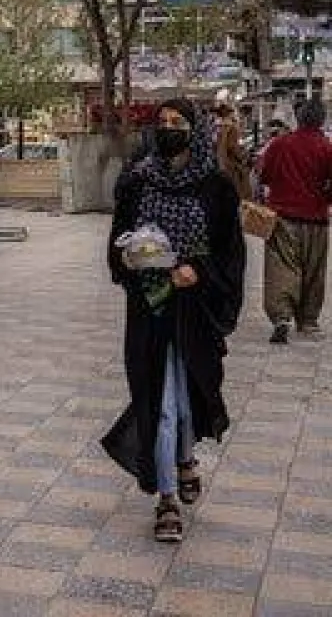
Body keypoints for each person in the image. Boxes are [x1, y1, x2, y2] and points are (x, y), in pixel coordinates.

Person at [102, 100, 244, 544]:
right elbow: (116, 250)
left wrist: (198, 272)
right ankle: (166, 498)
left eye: (177, 123)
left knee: (185, 398)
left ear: (194, 129)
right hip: (151, 307)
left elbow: (230, 254)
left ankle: (185, 458)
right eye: (161, 123)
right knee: (160, 401)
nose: (168, 130)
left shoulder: (216, 186)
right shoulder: (137, 182)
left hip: (195, 310)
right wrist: (137, 261)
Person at [255, 97, 332, 343]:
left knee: (282, 268)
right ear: (322, 120)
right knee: (313, 271)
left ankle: (282, 317)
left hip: (283, 217)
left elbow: (264, 176)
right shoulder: (327, 147)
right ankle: (308, 321)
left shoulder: (280, 144)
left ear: (298, 118)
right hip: (316, 218)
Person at [213, 91, 252, 201]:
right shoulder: (231, 128)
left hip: (219, 166)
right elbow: (233, 148)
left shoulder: (216, 128)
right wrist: (244, 157)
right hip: (231, 167)